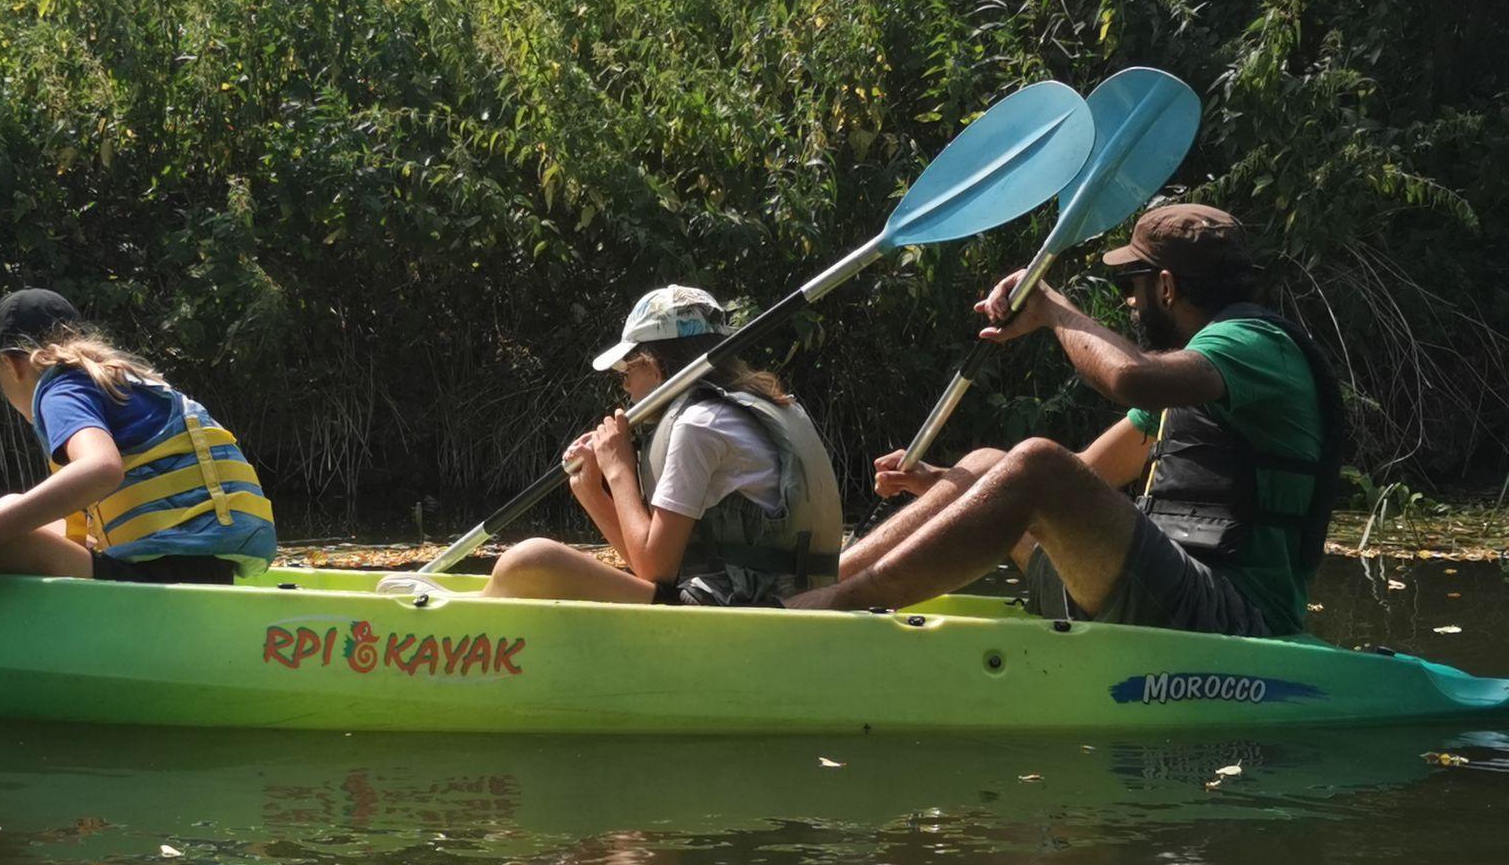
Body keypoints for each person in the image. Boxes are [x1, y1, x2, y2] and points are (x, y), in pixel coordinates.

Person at [791, 205, 1342, 637]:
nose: (1129, 304)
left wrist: (1053, 309)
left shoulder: (1253, 343)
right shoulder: (1197, 376)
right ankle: (805, 587)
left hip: (1230, 616)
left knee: (1036, 461)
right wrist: (953, 486)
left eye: (1134, 288)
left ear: (1167, 287)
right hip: (1153, 592)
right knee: (988, 464)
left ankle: (825, 611)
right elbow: (1084, 478)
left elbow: (1130, 381)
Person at [483, 285, 843, 606]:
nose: (626, 388)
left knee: (530, 560)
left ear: (653, 367)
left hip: (745, 609)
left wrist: (619, 469)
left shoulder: (699, 425)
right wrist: (590, 491)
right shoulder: (764, 407)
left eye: (627, 373)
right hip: (769, 596)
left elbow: (656, 572)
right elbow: (650, 567)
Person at [0, 289, 277, 584]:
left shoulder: (61, 390)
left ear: (11, 364)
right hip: (206, 575)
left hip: (154, 581)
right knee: (8, 506)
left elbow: (101, 469)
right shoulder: (119, 383)